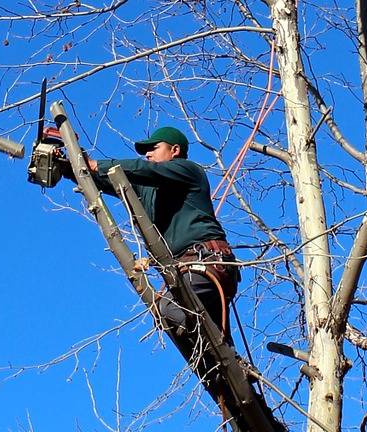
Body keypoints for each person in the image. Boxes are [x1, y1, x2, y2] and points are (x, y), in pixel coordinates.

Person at [62, 126, 240, 343]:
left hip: (206, 262)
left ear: (174, 150)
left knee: (167, 310)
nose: (147, 154)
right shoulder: (148, 189)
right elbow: (109, 179)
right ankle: (228, 365)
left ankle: (219, 352)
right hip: (186, 271)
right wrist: (69, 166)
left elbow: (143, 170)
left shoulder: (187, 170)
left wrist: (96, 164)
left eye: (153, 148)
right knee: (209, 348)